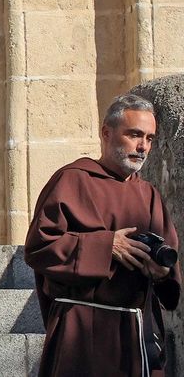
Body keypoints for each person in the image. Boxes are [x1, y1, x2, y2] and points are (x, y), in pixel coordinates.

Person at [26, 94, 181, 377]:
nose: (143, 146)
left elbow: (169, 278)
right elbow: (38, 248)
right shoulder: (71, 180)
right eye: (134, 134)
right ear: (106, 133)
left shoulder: (149, 195)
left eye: (149, 138)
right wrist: (106, 245)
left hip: (137, 334)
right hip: (81, 333)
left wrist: (160, 273)